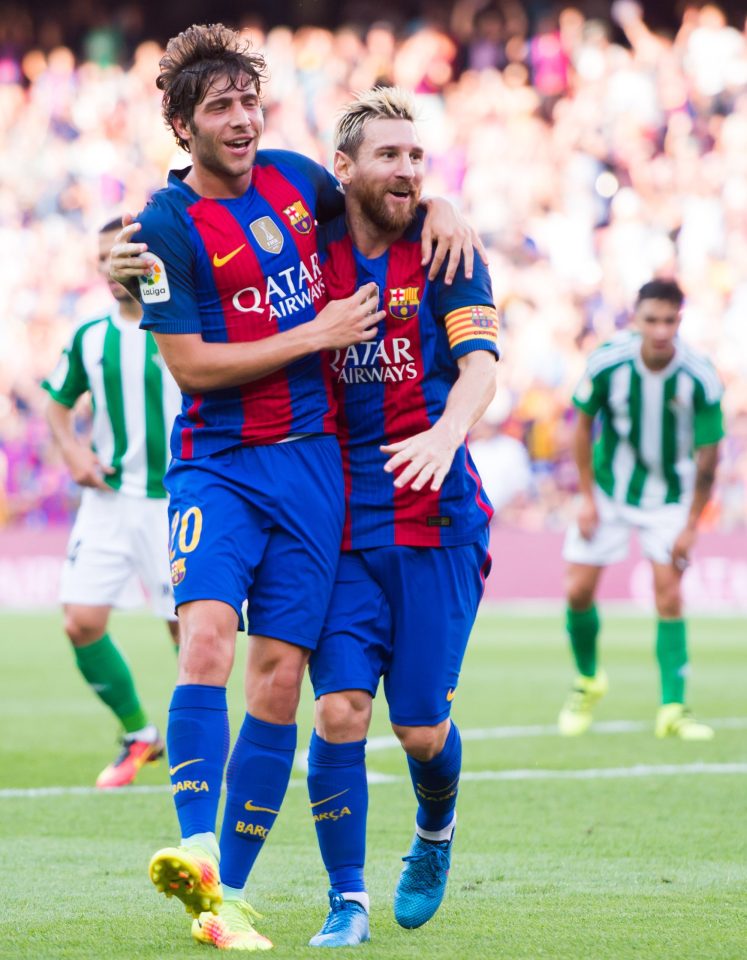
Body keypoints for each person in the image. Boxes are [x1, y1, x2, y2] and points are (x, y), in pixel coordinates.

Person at [108, 23, 481, 953]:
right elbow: (190, 366)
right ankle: (207, 856)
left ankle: (226, 896)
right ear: (182, 126)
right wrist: (313, 336)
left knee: (283, 682)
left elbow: (379, 187)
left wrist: (442, 206)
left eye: (247, 102)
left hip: (318, 472)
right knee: (209, 637)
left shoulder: (296, 180)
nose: (240, 121)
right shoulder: (160, 225)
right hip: (219, 460)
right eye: (218, 108)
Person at [303, 87, 498, 947]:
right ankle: (346, 901)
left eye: (418, 158)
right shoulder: (310, 245)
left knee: (419, 727)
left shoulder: (448, 251)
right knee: (339, 711)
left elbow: (481, 368)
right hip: (342, 527)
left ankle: (434, 832)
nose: (410, 172)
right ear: (343, 168)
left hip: (437, 522)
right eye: (390, 155)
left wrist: (447, 435)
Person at [42, 218, 181, 790]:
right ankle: (139, 735)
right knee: (80, 621)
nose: (111, 264)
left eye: (119, 250)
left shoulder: (180, 324)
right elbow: (57, 401)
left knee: (192, 636)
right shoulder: (89, 336)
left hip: (177, 501)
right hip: (108, 500)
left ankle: (202, 749)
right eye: (102, 256)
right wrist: (74, 454)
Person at [557, 278, 724, 740]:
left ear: (679, 321)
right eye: (652, 319)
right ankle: (588, 681)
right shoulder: (609, 361)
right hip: (609, 491)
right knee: (577, 592)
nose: (661, 329)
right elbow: (580, 426)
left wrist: (692, 526)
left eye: (670, 320)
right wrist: (587, 498)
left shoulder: (699, 374)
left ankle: (673, 708)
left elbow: (710, 457)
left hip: (668, 498)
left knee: (669, 594)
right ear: (637, 318)